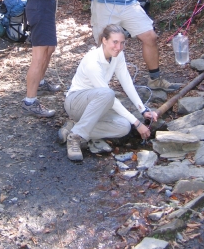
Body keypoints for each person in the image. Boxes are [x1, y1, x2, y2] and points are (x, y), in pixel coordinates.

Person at [59, 24, 158, 161]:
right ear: (104, 41)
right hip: (76, 103)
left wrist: (142, 110)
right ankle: (75, 137)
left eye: (122, 43)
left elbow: (127, 83)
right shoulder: (92, 62)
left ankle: (74, 127)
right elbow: (109, 97)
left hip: (97, 104)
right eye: (115, 42)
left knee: (123, 127)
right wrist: (137, 123)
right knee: (108, 94)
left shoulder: (118, 55)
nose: (118, 47)